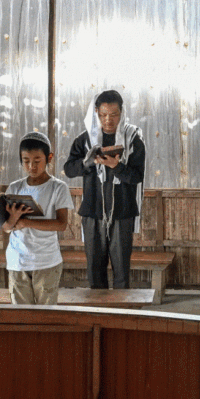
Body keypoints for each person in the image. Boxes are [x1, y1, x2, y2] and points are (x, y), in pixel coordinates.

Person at [64, 90, 146, 289]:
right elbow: (68, 169)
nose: (108, 119)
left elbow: (137, 176)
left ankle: (122, 315)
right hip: (93, 212)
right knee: (94, 269)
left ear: (122, 112)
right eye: (103, 114)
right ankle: (98, 315)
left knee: (121, 270)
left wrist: (115, 166)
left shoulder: (132, 139)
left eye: (114, 114)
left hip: (122, 213)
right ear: (96, 113)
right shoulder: (85, 140)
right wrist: (89, 162)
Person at [1, 132, 74, 305]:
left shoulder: (58, 187)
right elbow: (6, 227)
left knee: (46, 317)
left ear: (49, 157)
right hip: (17, 260)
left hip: (46, 261)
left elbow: (61, 224)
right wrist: (14, 218)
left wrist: (26, 222)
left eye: (37, 160)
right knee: (21, 318)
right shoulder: (15, 187)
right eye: (26, 161)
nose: (31, 166)